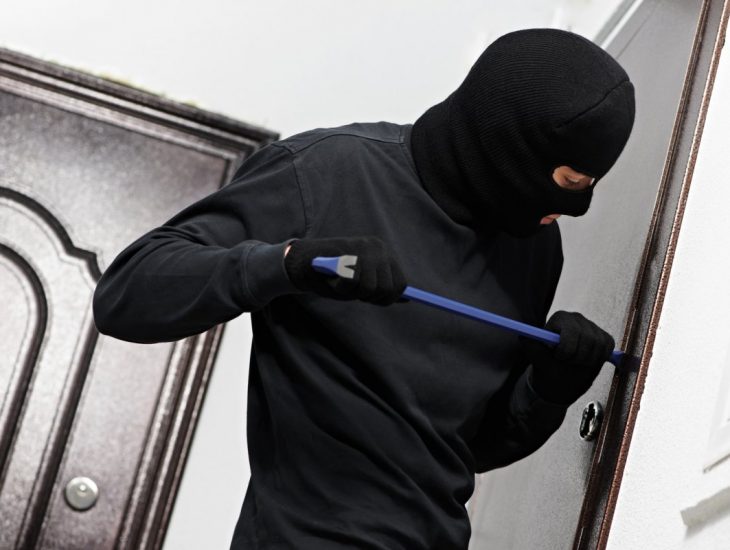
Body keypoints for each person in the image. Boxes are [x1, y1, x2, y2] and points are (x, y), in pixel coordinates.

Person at [93, 28, 635, 550]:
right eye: (569, 182)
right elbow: (126, 295)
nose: (576, 207)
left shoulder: (535, 249)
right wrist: (289, 263)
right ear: (504, 144)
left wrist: (548, 389)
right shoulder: (323, 171)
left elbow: (465, 449)